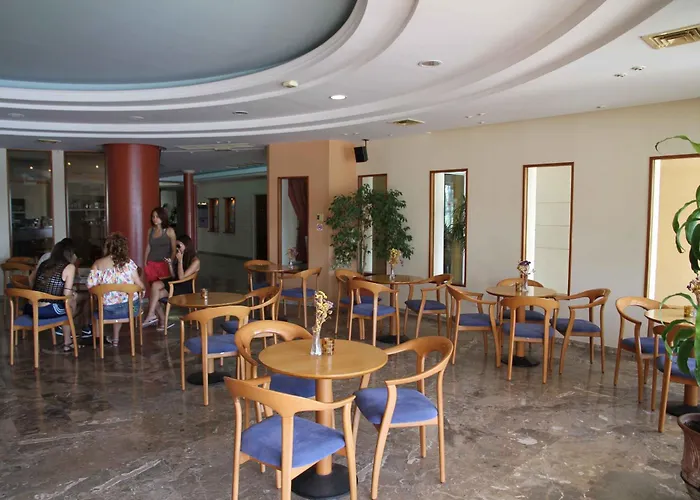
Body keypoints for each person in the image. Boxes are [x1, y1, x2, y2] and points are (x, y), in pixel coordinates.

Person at [87, 233, 146, 347]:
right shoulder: (129, 263)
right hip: (131, 310)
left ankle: (106, 339)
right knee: (129, 303)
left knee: (106, 305)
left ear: (107, 247)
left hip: (107, 311)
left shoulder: (97, 264)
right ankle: (116, 338)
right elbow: (140, 285)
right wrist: (142, 290)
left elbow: (90, 287)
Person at [27, 239, 77, 352]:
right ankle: (67, 342)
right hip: (47, 310)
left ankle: (66, 338)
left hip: (31, 308)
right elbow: (66, 295)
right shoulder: (69, 267)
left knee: (68, 303)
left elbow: (30, 279)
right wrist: (74, 294)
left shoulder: (44, 264)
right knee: (71, 303)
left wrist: (37, 292)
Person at [143, 234, 200, 329]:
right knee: (154, 287)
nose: (177, 248)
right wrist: (170, 264)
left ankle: (161, 320)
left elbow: (181, 278)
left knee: (153, 296)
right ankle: (153, 315)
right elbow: (174, 276)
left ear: (186, 245)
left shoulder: (195, 261)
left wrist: (180, 261)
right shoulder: (181, 256)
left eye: (179, 246)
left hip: (183, 287)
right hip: (175, 282)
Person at [143, 207, 176, 286]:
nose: (155, 219)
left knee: (163, 286)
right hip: (151, 262)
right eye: (153, 217)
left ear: (162, 217)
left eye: (157, 217)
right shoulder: (150, 230)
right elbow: (148, 246)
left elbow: (174, 250)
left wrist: (170, 263)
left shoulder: (169, 231)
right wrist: (145, 262)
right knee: (152, 285)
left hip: (164, 263)